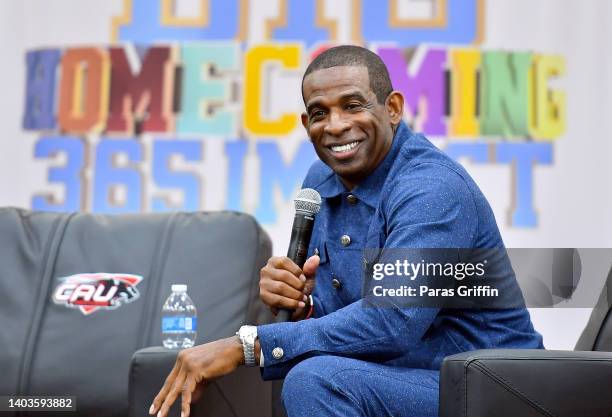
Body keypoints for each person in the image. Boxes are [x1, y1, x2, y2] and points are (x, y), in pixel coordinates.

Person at [148, 45, 543, 417]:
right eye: (319, 113)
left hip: (495, 386)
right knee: (279, 370)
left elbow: (392, 322)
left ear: (392, 108)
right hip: (405, 376)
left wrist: (247, 345)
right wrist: (300, 304)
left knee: (316, 380)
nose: (336, 126)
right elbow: (345, 321)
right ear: (306, 124)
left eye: (353, 106)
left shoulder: (432, 189)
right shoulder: (321, 180)